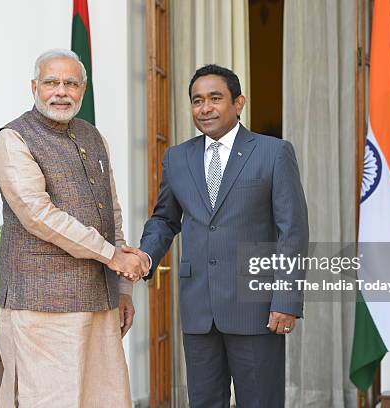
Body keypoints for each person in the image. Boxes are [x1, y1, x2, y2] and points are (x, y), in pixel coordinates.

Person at [129, 64, 309, 407]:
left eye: (215, 98)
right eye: (197, 100)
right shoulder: (178, 158)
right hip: (199, 310)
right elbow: (165, 219)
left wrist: (286, 300)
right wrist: (144, 256)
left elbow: (293, 231)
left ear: (238, 103)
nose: (205, 108)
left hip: (255, 307)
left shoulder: (273, 152)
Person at [0, 49, 147, 407]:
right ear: (34, 87)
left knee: (103, 399)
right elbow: (39, 215)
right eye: (51, 82)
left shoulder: (94, 138)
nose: (61, 91)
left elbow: (113, 218)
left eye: (70, 83)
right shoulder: (13, 140)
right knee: (48, 400)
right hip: (41, 305)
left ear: (83, 89)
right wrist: (112, 257)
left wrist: (122, 289)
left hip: (99, 303)